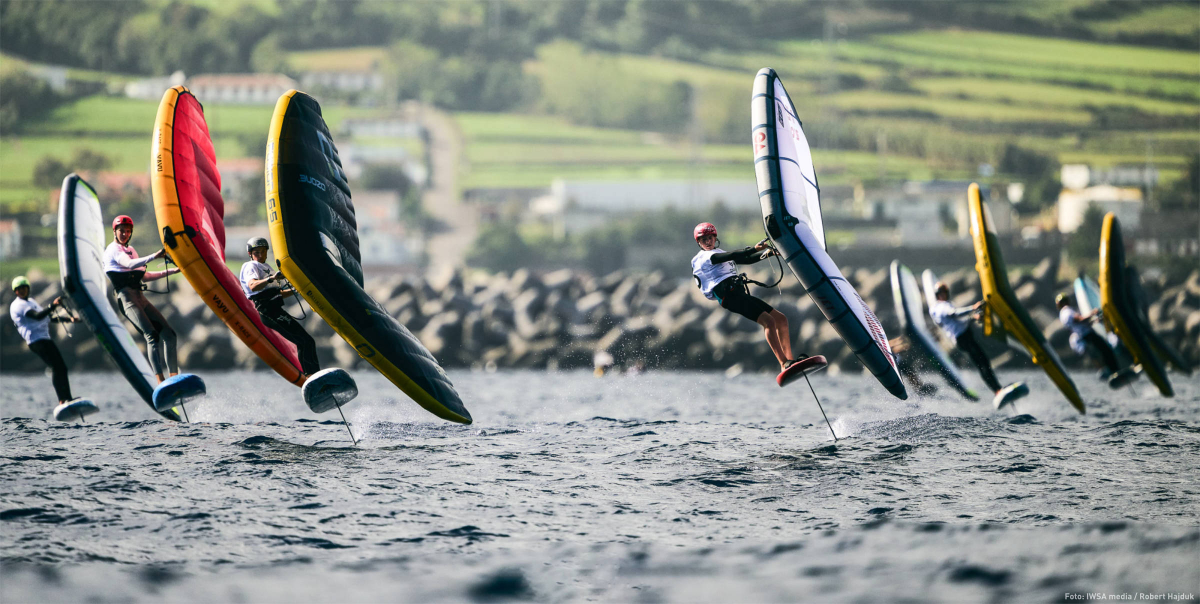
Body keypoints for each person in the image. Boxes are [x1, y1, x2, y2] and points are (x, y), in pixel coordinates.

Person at [691, 222, 804, 373]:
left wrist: (768, 254)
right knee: (769, 321)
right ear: (698, 242)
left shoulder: (717, 253)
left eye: (710, 238)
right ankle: (783, 363)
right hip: (729, 298)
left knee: (781, 319)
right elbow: (733, 255)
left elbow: (746, 260)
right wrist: (754, 248)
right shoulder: (706, 257)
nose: (708, 241)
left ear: (715, 238)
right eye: (703, 239)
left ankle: (790, 361)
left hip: (738, 294)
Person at [103, 215, 181, 383]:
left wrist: (171, 272)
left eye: (128, 231)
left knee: (170, 335)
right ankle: (161, 381)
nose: (124, 234)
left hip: (140, 298)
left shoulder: (131, 251)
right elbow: (129, 265)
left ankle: (174, 378)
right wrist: (155, 255)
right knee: (152, 336)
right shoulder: (113, 250)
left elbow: (144, 276)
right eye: (121, 231)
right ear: (114, 232)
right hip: (127, 300)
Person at [240, 237, 319, 379]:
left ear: (266, 252)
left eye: (263, 252)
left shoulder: (267, 268)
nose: (260, 255)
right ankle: (310, 376)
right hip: (268, 311)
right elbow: (253, 285)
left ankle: (316, 374)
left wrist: (297, 290)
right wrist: (271, 279)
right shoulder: (250, 266)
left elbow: (278, 294)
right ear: (250, 254)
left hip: (276, 310)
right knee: (304, 341)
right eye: (256, 252)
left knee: (308, 341)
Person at [9, 276, 78, 406]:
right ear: (15, 292)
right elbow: (38, 316)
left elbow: (48, 318)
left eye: (24, 288)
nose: (22, 291)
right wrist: (53, 305)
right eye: (19, 290)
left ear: (28, 289)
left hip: (45, 339)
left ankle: (68, 398)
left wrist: (70, 320)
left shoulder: (31, 302)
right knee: (56, 367)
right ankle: (62, 400)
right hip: (36, 341)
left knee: (62, 368)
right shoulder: (18, 305)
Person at [928, 281, 1005, 396]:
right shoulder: (941, 307)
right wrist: (972, 308)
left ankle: (998, 389)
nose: (943, 295)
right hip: (962, 338)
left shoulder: (943, 306)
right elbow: (955, 314)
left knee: (984, 361)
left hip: (965, 335)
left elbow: (958, 321)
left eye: (945, 293)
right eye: (941, 293)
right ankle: (997, 390)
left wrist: (974, 317)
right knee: (982, 363)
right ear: (937, 295)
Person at [1056, 293, 1123, 378]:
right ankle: (1115, 371)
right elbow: (1080, 320)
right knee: (1106, 350)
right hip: (1087, 334)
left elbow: (1078, 324)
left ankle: (1110, 370)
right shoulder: (1067, 311)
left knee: (1101, 352)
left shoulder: (1062, 315)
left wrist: (1094, 320)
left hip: (1084, 335)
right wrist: (1093, 313)